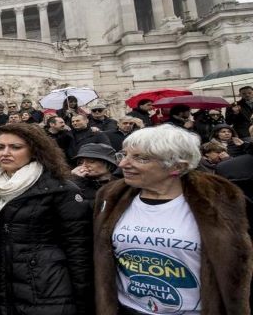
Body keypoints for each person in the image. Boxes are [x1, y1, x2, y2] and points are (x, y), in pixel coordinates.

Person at [93, 124, 253, 314]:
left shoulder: (222, 201)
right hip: (129, 309)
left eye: (140, 158)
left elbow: (240, 265)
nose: (123, 164)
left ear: (177, 166)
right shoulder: (110, 197)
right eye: (124, 155)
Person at [0, 123, 93, 314]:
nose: (5, 152)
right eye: (0, 147)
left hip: (48, 289)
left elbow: (78, 249)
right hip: (0, 288)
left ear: (34, 150)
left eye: (16, 147)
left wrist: (84, 300)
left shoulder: (61, 189)